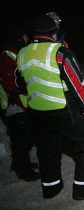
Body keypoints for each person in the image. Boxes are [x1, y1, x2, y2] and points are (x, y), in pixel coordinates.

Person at [15, 14, 84, 200]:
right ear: (53, 33)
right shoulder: (60, 53)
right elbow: (78, 86)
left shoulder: (22, 54)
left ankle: (51, 188)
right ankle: (83, 189)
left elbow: (19, 83)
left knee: (47, 150)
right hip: (64, 111)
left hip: (37, 113)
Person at [0, 23, 40, 182]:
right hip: (14, 105)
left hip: (23, 104)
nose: (26, 38)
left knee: (27, 137)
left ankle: (22, 164)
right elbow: (12, 84)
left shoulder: (18, 53)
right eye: (24, 35)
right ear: (17, 37)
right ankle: (23, 170)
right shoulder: (6, 57)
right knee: (21, 140)